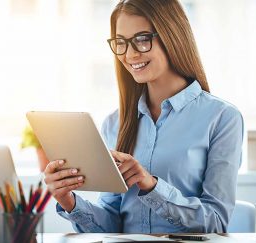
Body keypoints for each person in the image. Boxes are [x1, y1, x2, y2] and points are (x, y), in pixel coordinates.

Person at [44, 0, 243, 233]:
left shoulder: (222, 118)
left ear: (172, 37)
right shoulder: (114, 123)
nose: (129, 54)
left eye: (141, 39)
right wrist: (68, 200)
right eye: (121, 43)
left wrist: (151, 186)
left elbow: (216, 222)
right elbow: (112, 225)